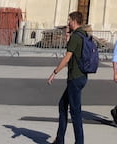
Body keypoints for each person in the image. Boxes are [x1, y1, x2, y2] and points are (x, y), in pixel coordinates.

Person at [47, 11, 89, 144]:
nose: (68, 23)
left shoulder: (76, 37)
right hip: (81, 76)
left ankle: (79, 142)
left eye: (69, 20)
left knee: (75, 113)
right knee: (62, 104)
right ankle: (60, 139)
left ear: (74, 21)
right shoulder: (83, 34)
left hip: (75, 77)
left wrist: (55, 72)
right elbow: (73, 48)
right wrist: (67, 35)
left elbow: (67, 57)